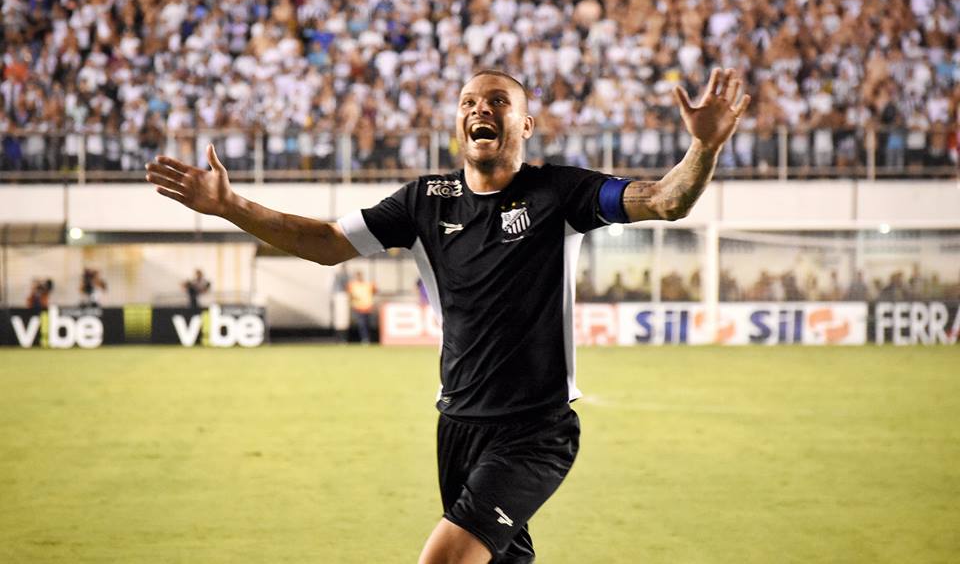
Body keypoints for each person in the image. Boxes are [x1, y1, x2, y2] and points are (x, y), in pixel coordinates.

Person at [145, 67, 749, 564]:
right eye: (468, 101)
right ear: (459, 121)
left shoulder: (560, 193)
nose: (479, 108)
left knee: (443, 561)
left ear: (525, 124)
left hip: (534, 432)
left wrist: (704, 146)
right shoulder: (423, 201)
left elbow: (665, 200)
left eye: (497, 101)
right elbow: (328, 242)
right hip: (456, 426)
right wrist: (231, 206)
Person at [346, 270, 376, 343]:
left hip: (367, 307)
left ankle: (367, 338)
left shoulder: (367, 285)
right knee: (362, 324)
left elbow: (374, 292)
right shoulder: (352, 285)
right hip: (358, 307)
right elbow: (349, 295)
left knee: (367, 324)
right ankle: (365, 338)